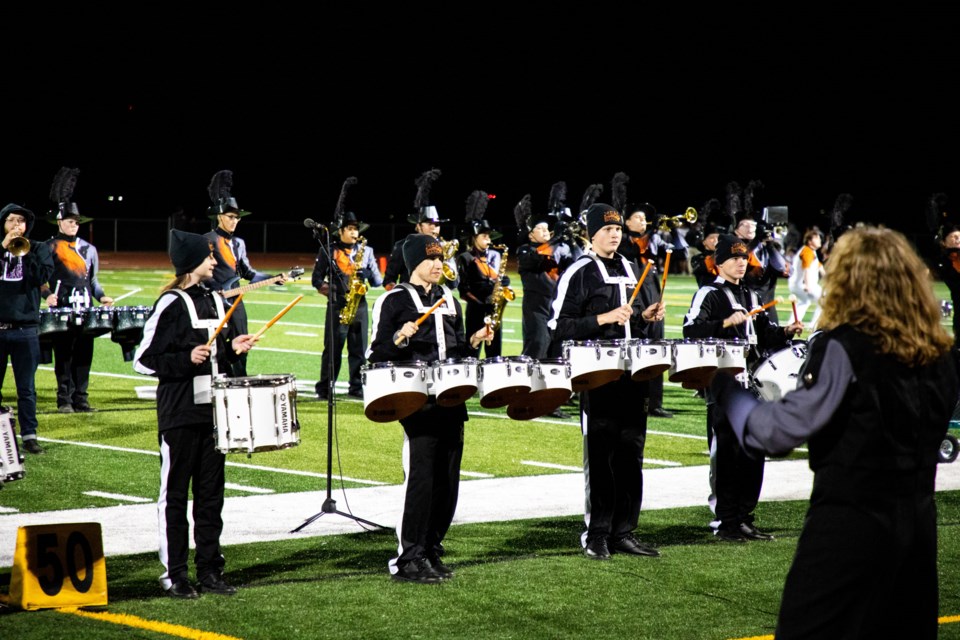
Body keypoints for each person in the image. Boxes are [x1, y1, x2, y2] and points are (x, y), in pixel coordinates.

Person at [711, 226, 957, 638]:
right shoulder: (941, 353)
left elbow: (777, 433)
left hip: (851, 524)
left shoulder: (845, 346)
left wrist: (727, 392)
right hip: (917, 528)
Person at [134, 229, 257, 599]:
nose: (215, 262)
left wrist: (233, 348)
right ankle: (175, 574)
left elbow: (219, 354)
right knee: (174, 496)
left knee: (210, 496)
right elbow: (144, 360)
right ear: (191, 263)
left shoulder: (219, 301)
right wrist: (184, 358)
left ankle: (210, 570)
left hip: (215, 413)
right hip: (180, 413)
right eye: (209, 258)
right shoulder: (170, 304)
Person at [367, 234, 492, 583]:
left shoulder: (448, 299)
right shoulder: (393, 300)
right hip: (417, 403)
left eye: (441, 260)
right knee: (420, 481)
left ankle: (432, 548)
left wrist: (474, 343)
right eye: (432, 260)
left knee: (447, 482)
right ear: (415, 263)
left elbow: (457, 352)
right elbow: (375, 354)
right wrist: (398, 338)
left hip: (452, 400)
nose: (439, 265)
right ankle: (409, 558)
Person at [548, 203, 665, 560]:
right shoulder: (579, 271)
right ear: (592, 234)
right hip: (597, 376)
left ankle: (624, 531)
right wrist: (603, 317)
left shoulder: (632, 268)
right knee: (601, 455)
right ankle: (596, 533)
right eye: (607, 230)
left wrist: (646, 317)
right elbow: (559, 326)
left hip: (635, 374)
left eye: (618, 230)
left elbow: (636, 325)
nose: (615, 234)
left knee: (632, 453)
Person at [682, 234, 803, 542]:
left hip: (753, 383)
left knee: (753, 451)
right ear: (719, 262)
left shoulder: (751, 293)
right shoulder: (708, 293)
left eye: (743, 257)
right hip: (723, 382)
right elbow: (690, 330)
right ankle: (726, 521)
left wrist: (785, 332)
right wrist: (722, 324)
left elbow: (763, 333)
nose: (740, 262)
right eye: (734, 258)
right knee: (726, 454)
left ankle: (745, 517)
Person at [203, 170, 286, 376]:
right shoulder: (208, 240)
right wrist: (211, 294)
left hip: (236, 301)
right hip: (214, 302)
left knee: (243, 341)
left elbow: (249, 273)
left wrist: (273, 279)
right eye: (231, 217)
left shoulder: (239, 243)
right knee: (218, 342)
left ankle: (240, 380)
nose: (235, 221)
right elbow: (200, 273)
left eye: (237, 218)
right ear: (220, 216)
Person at [41, 181, 113, 413]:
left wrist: (101, 297)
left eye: (76, 221)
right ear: (59, 222)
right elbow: (41, 279)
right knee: (63, 354)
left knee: (84, 353)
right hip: (61, 310)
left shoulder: (89, 249)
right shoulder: (48, 247)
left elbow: (93, 281)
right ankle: (64, 399)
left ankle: (81, 397)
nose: (74, 225)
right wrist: (48, 295)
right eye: (70, 221)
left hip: (86, 309)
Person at [617, 201, 686, 419]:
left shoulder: (654, 240)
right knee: (632, 354)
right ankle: (630, 399)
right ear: (626, 222)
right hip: (633, 305)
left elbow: (680, 254)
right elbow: (633, 250)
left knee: (656, 352)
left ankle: (654, 403)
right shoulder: (622, 242)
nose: (642, 221)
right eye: (637, 217)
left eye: (643, 218)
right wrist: (654, 230)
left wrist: (672, 230)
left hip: (654, 301)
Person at [0, 203, 54, 455]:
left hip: (26, 329)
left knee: (26, 388)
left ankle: (30, 436)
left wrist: (25, 252)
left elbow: (42, 276)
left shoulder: (39, 249)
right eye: (11, 220)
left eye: (20, 221)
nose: (16, 225)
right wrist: (3, 249)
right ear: (3, 225)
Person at [312, 210, 382, 400]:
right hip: (337, 306)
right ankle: (325, 387)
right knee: (332, 350)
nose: (354, 233)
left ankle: (357, 386)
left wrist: (367, 273)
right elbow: (316, 280)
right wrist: (334, 292)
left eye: (356, 229)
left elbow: (377, 281)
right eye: (350, 229)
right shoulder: (329, 249)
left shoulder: (366, 251)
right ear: (340, 230)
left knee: (359, 349)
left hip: (359, 305)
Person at [383, 168, 458, 290]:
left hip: (437, 304)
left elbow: (453, 285)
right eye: (429, 224)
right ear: (418, 226)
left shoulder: (445, 247)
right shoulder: (402, 246)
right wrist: (399, 295)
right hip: (410, 303)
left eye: (437, 225)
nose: (434, 228)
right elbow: (388, 280)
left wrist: (448, 258)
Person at [456, 191, 509, 359]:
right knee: (472, 350)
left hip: (493, 309)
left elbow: (496, 277)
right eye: (484, 236)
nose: (488, 239)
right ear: (474, 237)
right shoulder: (465, 257)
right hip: (476, 309)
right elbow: (463, 290)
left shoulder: (495, 255)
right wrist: (480, 304)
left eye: (489, 236)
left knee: (494, 352)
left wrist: (503, 282)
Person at [734, 212, 790, 324]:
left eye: (753, 224)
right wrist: (756, 241)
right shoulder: (733, 247)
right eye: (744, 224)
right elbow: (741, 259)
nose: (749, 227)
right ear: (736, 231)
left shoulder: (768, 248)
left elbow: (783, 268)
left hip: (769, 308)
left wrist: (770, 245)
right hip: (745, 308)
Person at [787, 226, 825, 327]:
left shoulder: (810, 251)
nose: (819, 240)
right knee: (825, 302)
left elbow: (819, 267)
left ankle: (792, 323)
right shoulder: (807, 251)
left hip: (797, 283)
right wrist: (808, 285)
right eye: (817, 238)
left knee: (804, 302)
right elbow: (806, 269)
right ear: (809, 241)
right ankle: (816, 325)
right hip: (803, 284)